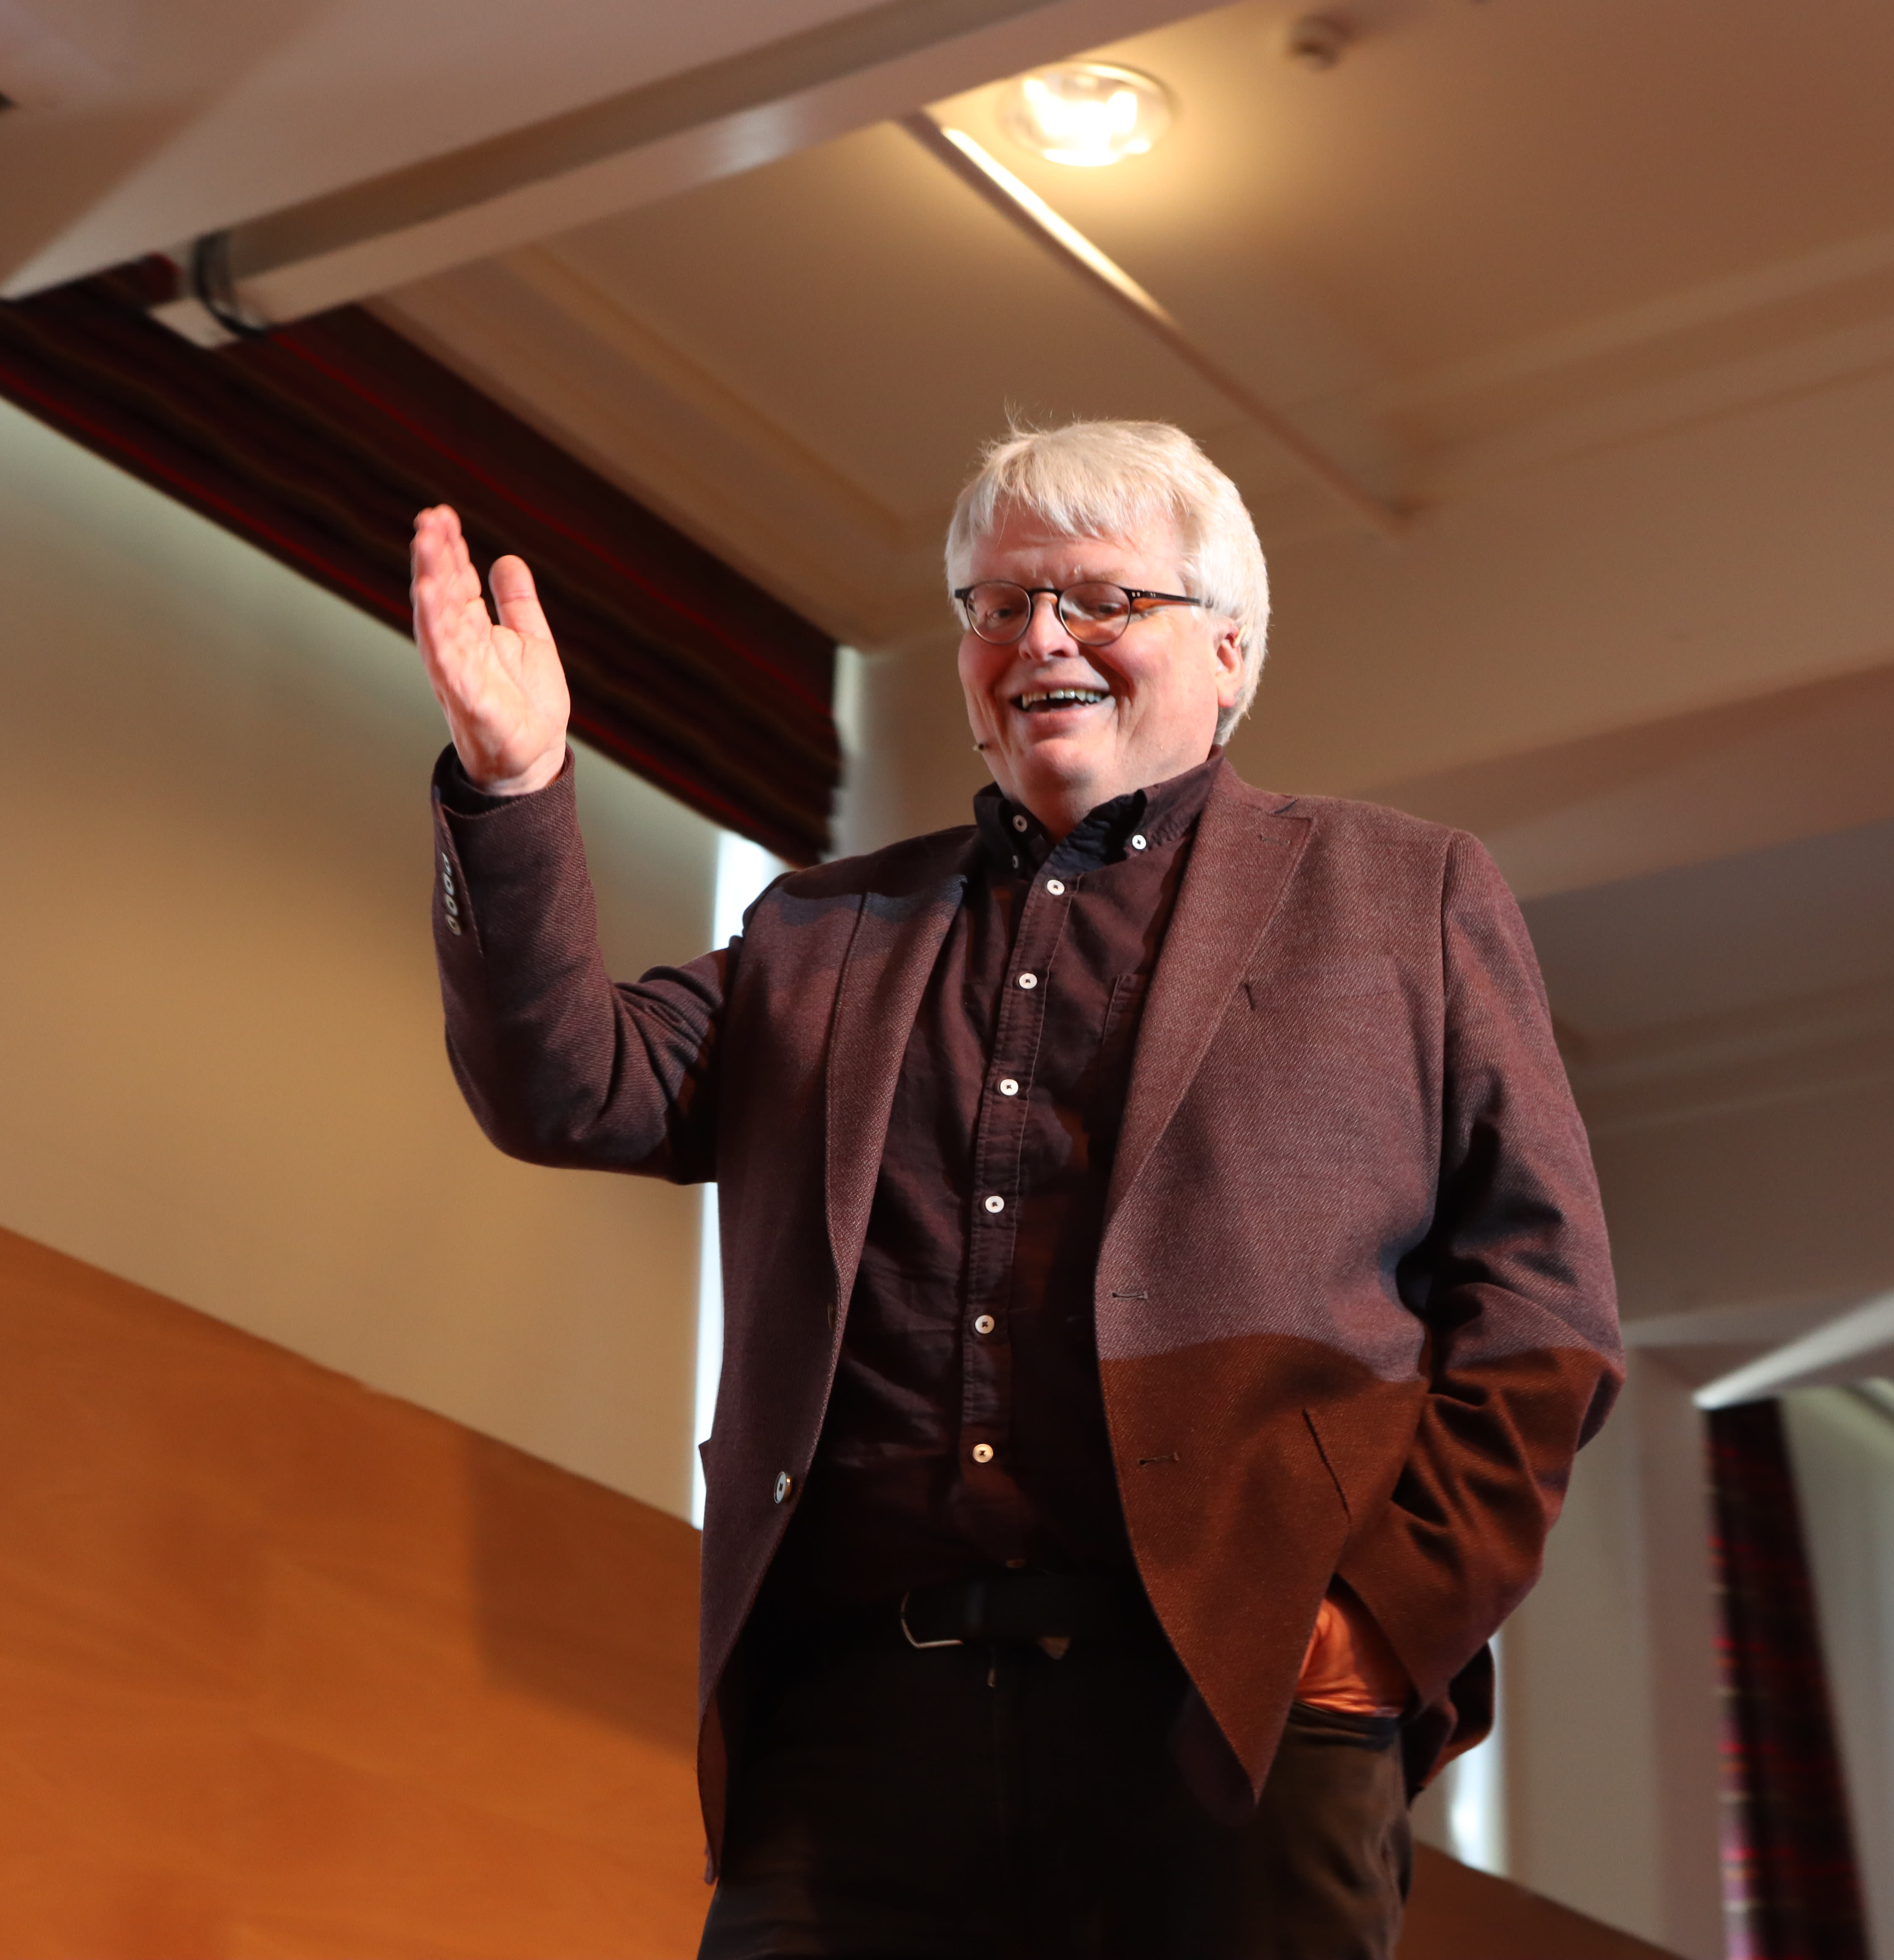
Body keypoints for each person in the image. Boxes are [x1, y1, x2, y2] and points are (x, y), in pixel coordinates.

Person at [410, 419, 1622, 1960]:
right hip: (853, 1741)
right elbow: (569, 1087)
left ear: (1230, 650)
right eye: (999, 605)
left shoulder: (1402, 892)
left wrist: (1379, 1624)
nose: (1042, 637)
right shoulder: (821, 930)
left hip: (1234, 1713)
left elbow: (1542, 1306)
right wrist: (513, 787)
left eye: (1101, 599)